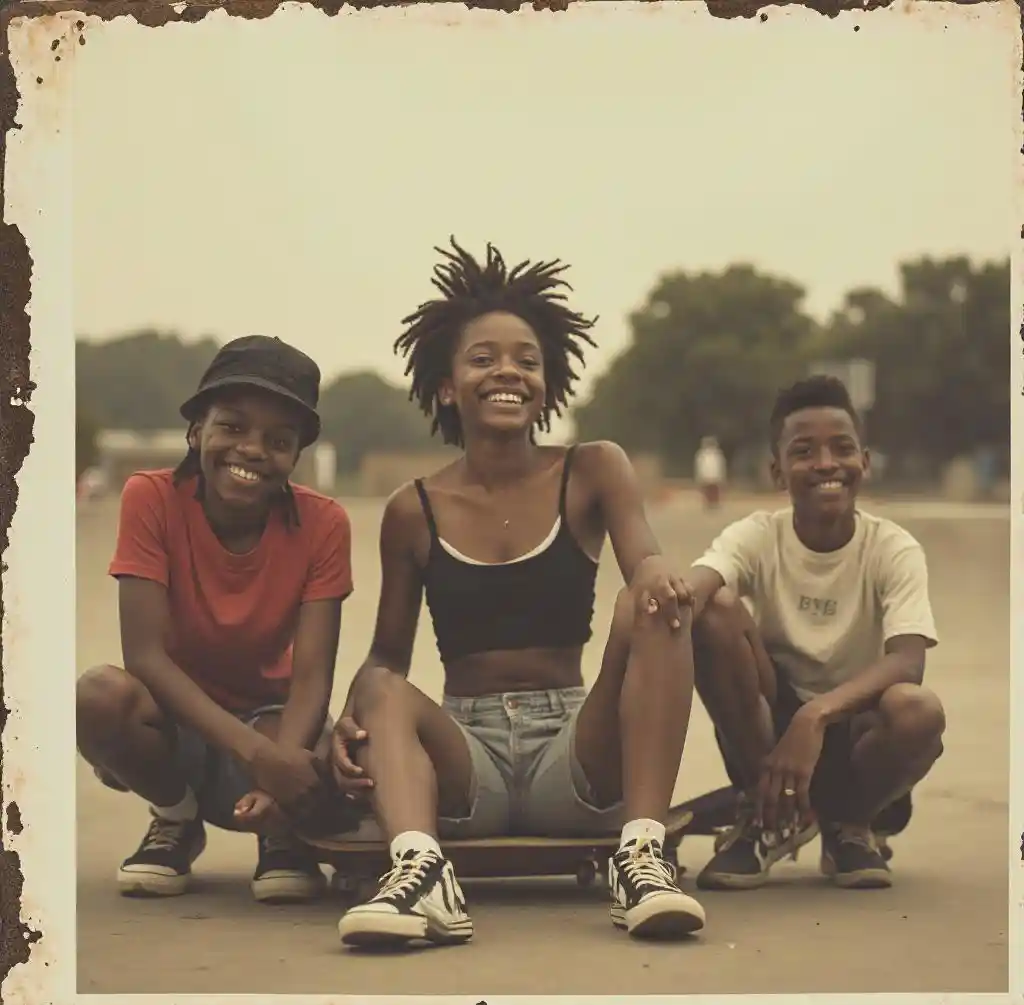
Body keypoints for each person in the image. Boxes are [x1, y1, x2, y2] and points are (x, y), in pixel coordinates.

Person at [329, 239, 706, 947]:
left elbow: (644, 561)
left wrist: (657, 573)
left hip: (577, 752)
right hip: (467, 764)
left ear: (547, 382)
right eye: (483, 359)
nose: (507, 371)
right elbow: (387, 655)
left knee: (651, 603)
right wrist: (350, 725)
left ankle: (642, 857)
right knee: (377, 686)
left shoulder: (594, 469)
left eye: (527, 361)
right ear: (447, 387)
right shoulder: (413, 509)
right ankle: (421, 875)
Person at [76, 335, 355, 904]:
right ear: (196, 431)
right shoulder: (150, 498)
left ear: (296, 456)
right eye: (231, 426)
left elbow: (312, 676)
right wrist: (262, 760)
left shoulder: (324, 523)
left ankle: (280, 833)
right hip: (176, 724)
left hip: (274, 721)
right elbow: (145, 657)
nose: (252, 449)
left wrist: (283, 772)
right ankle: (175, 818)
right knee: (97, 695)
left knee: (321, 744)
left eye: (278, 440)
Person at [685, 375, 945, 891]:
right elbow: (700, 584)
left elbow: (908, 661)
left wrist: (817, 715)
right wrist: (661, 605)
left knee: (918, 709)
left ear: (864, 462)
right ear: (777, 471)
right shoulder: (759, 535)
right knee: (714, 612)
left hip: (853, 733)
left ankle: (850, 823)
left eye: (841, 448)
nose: (826, 463)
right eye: (804, 452)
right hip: (767, 730)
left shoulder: (893, 548)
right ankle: (766, 813)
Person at [694, 436, 726, 510]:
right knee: (707, 492)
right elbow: (700, 466)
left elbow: (720, 465)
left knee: (714, 492)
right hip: (707, 475)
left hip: (714, 476)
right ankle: (708, 504)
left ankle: (714, 504)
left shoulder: (717, 454)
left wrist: (721, 476)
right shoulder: (702, 454)